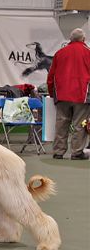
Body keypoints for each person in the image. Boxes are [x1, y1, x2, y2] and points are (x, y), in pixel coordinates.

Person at [46, 27, 90, 160]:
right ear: (83, 39)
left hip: (62, 95)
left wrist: (52, 94)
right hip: (82, 95)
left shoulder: (60, 53)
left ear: (70, 39)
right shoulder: (88, 53)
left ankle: (58, 152)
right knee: (79, 125)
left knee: (61, 124)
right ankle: (77, 153)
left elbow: (51, 76)